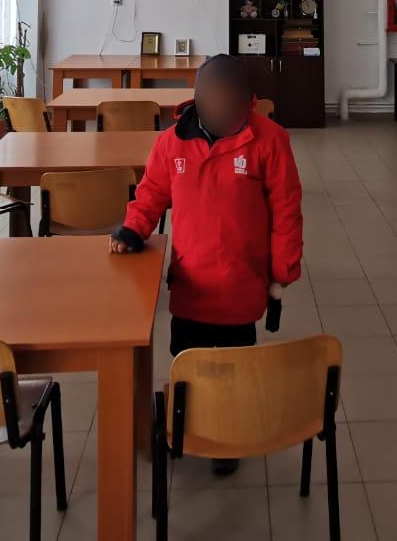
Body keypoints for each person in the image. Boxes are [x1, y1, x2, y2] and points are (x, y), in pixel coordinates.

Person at [110, 54, 304, 473]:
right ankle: (189, 426)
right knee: (188, 363)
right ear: (196, 100)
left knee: (234, 367)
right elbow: (151, 193)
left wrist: (283, 271)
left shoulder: (269, 140)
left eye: (233, 106)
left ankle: (227, 438)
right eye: (214, 102)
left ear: (249, 102)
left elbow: (287, 209)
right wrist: (132, 229)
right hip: (191, 284)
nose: (223, 112)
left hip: (241, 284)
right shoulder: (171, 143)